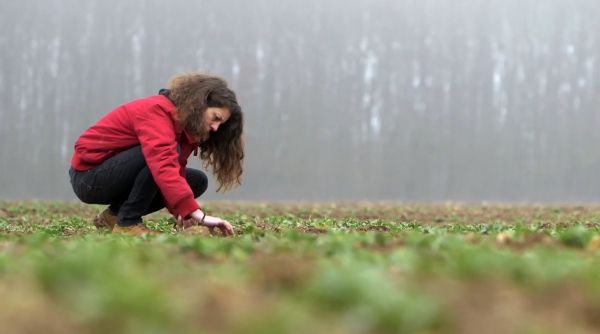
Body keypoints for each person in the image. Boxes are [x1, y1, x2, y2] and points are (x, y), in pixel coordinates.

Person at [68, 71, 244, 236]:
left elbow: (176, 170)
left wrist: (182, 211)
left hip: (115, 175)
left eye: (220, 124)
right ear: (199, 104)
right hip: (89, 178)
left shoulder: (185, 127)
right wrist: (199, 216)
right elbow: (162, 162)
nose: (215, 128)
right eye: (216, 118)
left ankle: (114, 216)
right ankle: (128, 223)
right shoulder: (156, 111)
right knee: (162, 158)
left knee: (196, 181)